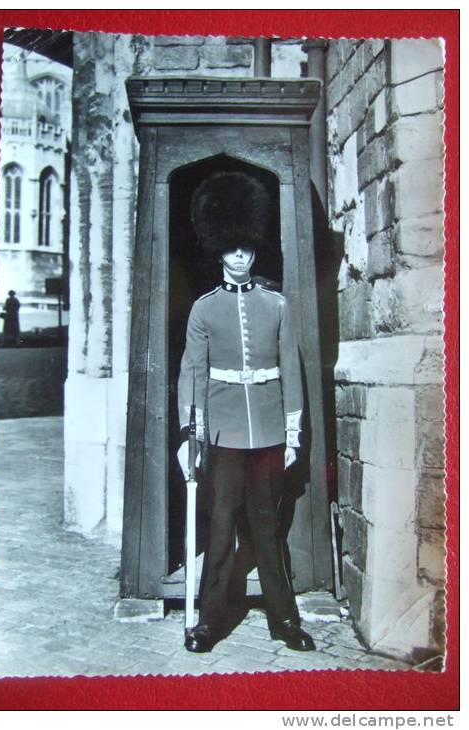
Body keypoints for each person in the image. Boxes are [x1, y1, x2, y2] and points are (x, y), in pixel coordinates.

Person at [177, 171, 315, 654]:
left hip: (270, 434)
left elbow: (290, 374)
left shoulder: (276, 306)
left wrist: (293, 432)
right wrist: (191, 434)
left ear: (253, 252)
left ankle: (285, 620)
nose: (239, 256)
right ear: (220, 252)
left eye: (245, 249)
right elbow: (192, 373)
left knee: (267, 529)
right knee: (220, 528)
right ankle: (210, 621)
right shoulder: (203, 310)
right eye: (230, 249)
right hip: (223, 433)